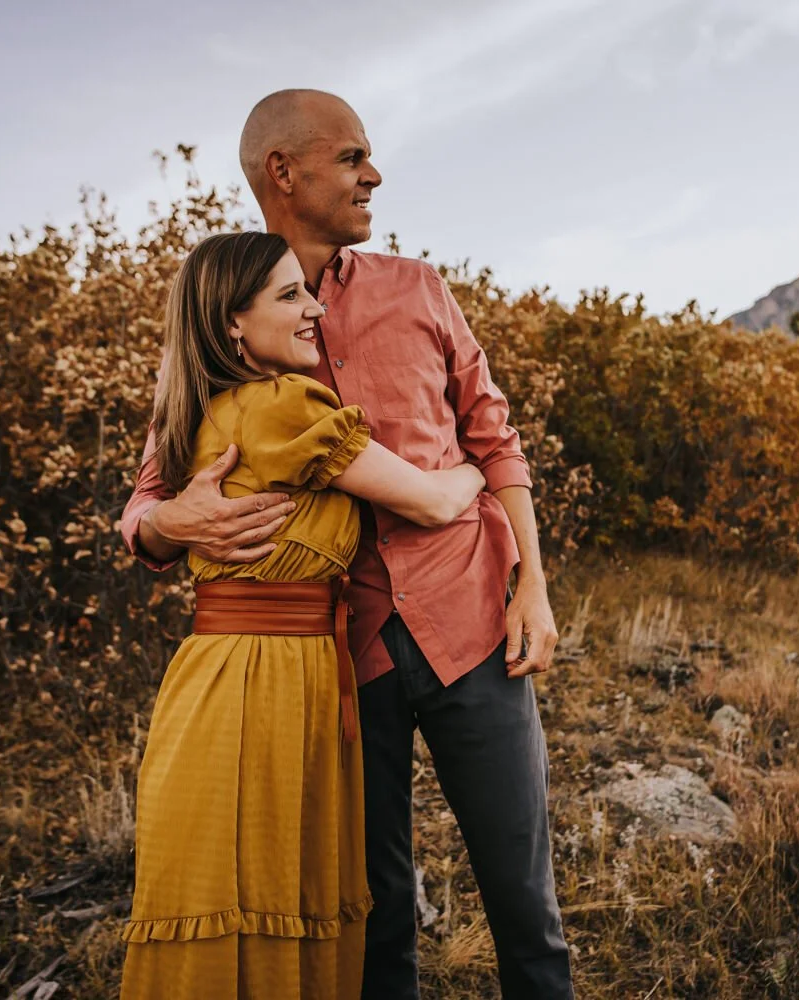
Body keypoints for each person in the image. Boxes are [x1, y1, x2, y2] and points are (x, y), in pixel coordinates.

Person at [122, 89, 574, 999]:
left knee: (523, 896)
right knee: (372, 911)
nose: (374, 175)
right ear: (283, 173)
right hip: (334, 658)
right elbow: (147, 502)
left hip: (471, 621)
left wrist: (532, 584)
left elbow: (495, 438)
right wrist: (174, 523)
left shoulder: (418, 288)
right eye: (351, 157)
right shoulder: (225, 314)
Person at [119, 229, 488, 999]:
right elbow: (430, 501)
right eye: (290, 297)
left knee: (225, 892)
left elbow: (146, 509)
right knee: (275, 889)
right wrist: (475, 469)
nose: (315, 309)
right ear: (232, 322)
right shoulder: (284, 404)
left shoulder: (197, 411)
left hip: (212, 674)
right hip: (273, 679)